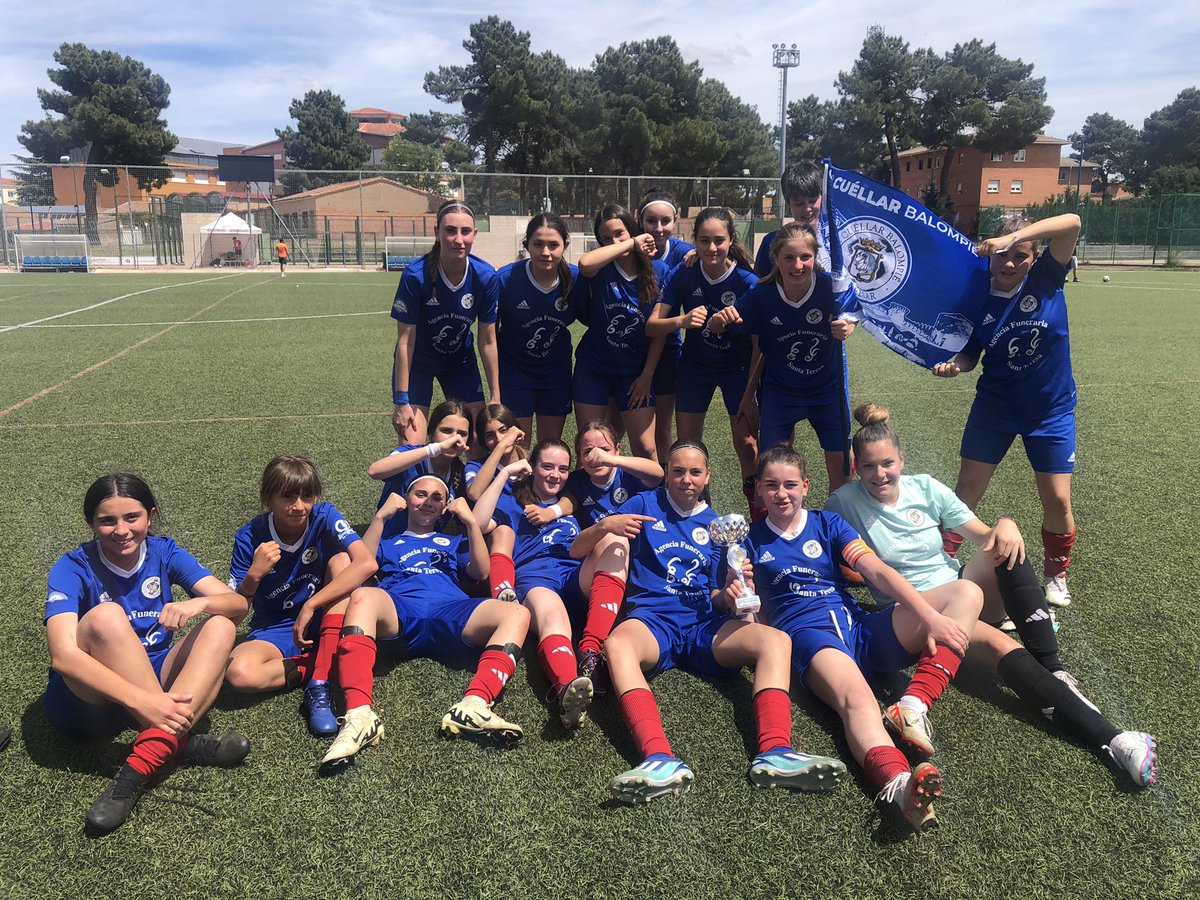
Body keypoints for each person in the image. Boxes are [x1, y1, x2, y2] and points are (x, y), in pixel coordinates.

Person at [825, 404, 1157, 787]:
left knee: (1004, 546)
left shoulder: (926, 487)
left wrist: (1006, 524)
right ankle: (1116, 740)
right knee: (1004, 651)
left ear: (902, 459)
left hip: (965, 597)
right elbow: (829, 558)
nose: (879, 474)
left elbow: (984, 536)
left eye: (887, 463)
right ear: (856, 466)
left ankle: (1054, 667)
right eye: (868, 466)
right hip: (915, 613)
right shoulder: (844, 502)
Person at [571, 440, 847, 804]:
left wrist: (732, 595)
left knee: (776, 641)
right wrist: (606, 525)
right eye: (678, 471)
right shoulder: (642, 504)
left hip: (703, 624)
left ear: (708, 476)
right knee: (619, 644)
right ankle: (658, 759)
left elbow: (718, 596)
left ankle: (776, 751)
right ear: (666, 473)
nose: (686, 480)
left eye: (695, 472)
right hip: (654, 619)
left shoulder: (719, 528)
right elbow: (577, 549)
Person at [745, 446, 982, 832]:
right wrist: (739, 596)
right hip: (811, 638)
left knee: (966, 593)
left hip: (859, 626)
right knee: (859, 699)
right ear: (757, 490)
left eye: (790, 484)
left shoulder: (828, 524)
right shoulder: (749, 539)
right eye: (771, 485)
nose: (781, 494)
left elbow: (875, 570)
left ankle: (912, 703)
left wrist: (929, 617)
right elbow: (745, 608)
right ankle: (899, 784)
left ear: (806, 486)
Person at [43, 474, 251, 833]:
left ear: (150, 515)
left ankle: (139, 766)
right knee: (107, 619)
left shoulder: (163, 551)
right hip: (91, 703)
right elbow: (63, 656)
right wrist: (143, 701)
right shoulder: (72, 565)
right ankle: (181, 741)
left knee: (222, 625)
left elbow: (237, 605)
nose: (122, 530)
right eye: (108, 520)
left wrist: (198, 603)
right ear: (91, 523)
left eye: (132, 517)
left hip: (153, 680)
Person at [319, 477, 531, 770]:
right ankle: (359, 715)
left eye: (437, 497)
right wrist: (380, 517)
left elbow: (482, 572)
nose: (428, 501)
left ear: (445, 507)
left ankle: (474, 704)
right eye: (420, 494)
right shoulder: (391, 542)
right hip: (402, 608)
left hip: (451, 609)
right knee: (364, 595)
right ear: (406, 500)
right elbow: (361, 566)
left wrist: (470, 523)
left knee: (517, 613)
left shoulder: (455, 541)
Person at [933, 214, 1083, 607]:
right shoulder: (976, 296)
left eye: (1019, 255)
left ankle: (1056, 574)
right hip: (995, 407)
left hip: (1050, 411)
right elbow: (970, 353)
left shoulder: (1046, 279)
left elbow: (1072, 222)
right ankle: (942, 560)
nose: (1010, 263)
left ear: (1033, 257)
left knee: (1057, 501)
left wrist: (1014, 236)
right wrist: (957, 366)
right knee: (966, 490)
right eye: (1002, 255)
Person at [224, 456, 377, 736]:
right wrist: (253, 576)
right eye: (288, 496)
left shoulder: (325, 516)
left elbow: (367, 563)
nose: (299, 506)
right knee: (238, 673)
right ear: (267, 498)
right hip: (276, 627)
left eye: (307, 496)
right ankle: (324, 662)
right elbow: (235, 612)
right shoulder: (249, 537)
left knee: (342, 562)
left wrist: (312, 604)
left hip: (328, 613)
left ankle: (319, 683)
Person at [709, 222, 859, 494]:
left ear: (815, 257)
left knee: (842, 473)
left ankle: (841, 530)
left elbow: (852, 312)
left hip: (827, 391)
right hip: (781, 393)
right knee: (772, 471)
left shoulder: (830, 288)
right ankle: (775, 530)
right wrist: (718, 321)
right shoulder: (760, 294)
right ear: (776, 259)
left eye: (805, 257)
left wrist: (848, 325)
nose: (798, 265)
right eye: (789, 257)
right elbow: (726, 324)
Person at [473, 442, 596, 729]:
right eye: (547, 467)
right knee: (553, 615)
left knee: (611, 539)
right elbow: (478, 523)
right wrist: (505, 474)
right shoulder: (514, 502)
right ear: (533, 468)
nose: (555, 475)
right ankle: (567, 685)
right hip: (538, 578)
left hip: (575, 573)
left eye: (563, 469)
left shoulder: (570, 500)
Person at [648, 207, 759, 515]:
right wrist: (682, 321)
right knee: (687, 448)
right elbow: (652, 325)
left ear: (731, 240)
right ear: (693, 241)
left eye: (719, 240)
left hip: (737, 369)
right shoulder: (684, 272)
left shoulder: (747, 281)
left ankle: (758, 514)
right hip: (695, 368)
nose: (712, 248)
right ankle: (695, 513)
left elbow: (759, 343)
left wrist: (750, 395)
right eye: (704, 240)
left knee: (748, 444)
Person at [560, 420, 664, 687]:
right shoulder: (576, 482)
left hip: (635, 575)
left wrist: (612, 460)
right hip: (594, 573)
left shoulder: (629, 475)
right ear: (579, 458)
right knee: (613, 536)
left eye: (604, 449)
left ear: (618, 449)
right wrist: (606, 524)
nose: (596, 456)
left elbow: (657, 473)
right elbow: (575, 549)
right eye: (587, 452)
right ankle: (590, 649)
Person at [391, 200, 500, 441]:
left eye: (465, 231)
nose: (458, 239)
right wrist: (401, 400)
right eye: (450, 230)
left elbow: (488, 340)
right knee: (412, 446)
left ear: (475, 234)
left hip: (459, 362)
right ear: (437, 232)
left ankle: (465, 479)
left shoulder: (486, 277)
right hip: (418, 363)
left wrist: (495, 397)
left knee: (478, 441)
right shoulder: (415, 276)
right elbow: (405, 342)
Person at [574, 204, 669, 461]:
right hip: (593, 369)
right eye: (606, 238)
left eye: (620, 234)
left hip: (633, 373)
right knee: (590, 444)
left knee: (645, 448)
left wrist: (647, 375)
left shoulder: (658, 270)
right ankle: (590, 501)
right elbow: (584, 263)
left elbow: (659, 330)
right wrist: (630, 243)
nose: (614, 241)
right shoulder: (601, 268)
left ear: (632, 230)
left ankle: (644, 499)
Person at [495, 213, 579, 446]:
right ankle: (519, 484)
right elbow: (489, 333)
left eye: (553, 245)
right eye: (538, 244)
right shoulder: (507, 278)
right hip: (515, 373)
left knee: (549, 445)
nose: (546, 252)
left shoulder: (575, 278)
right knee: (517, 445)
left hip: (555, 372)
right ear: (527, 246)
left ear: (565, 246)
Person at [637, 188, 694, 464]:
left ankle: (665, 487)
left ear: (675, 221)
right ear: (639, 220)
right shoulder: (630, 249)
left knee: (662, 428)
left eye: (665, 221)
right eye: (651, 221)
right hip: (627, 350)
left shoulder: (686, 254)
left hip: (667, 351)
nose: (658, 229)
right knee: (619, 424)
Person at [369, 398, 472, 510]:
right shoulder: (412, 454)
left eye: (462, 434)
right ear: (431, 433)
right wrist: (436, 448)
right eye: (446, 431)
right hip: (392, 528)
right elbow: (374, 471)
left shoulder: (461, 473)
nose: (454, 438)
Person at [754, 162, 824, 276]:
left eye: (812, 201)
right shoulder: (771, 242)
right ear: (788, 204)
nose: (807, 208)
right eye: (799, 203)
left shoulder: (838, 240)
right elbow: (760, 286)